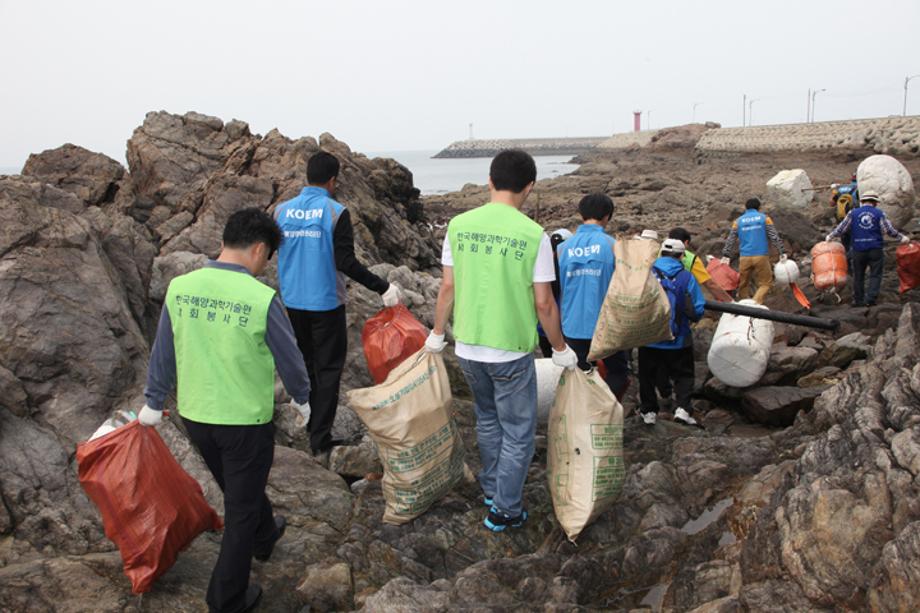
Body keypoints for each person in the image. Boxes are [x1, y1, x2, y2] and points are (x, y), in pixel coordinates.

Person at [140, 208, 313, 613]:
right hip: (244, 422)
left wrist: (153, 401)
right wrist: (303, 398)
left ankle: (265, 534)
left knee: (240, 490)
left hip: (197, 417)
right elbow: (290, 359)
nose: (263, 266)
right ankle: (226, 597)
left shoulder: (181, 287)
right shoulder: (260, 297)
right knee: (240, 507)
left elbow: (162, 351)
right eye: (266, 257)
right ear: (258, 249)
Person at [426, 149, 578, 532]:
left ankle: (493, 488)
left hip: (468, 347)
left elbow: (448, 287)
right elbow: (543, 302)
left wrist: (437, 333)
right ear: (529, 187)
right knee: (519, 433)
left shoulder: (459, 225)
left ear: (490, 181)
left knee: (488, 420)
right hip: (509, 349)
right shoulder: (533, 234)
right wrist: (561, 350)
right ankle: (505, 509)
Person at [274, 151, 401, 459]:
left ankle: (304, 414)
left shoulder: (281, 211)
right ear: (333, 180)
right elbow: (345, 262)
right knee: (328, 369)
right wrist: (382, 286)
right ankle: (319, 438)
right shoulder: (334, 212)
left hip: (292, 301)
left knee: (305, 363)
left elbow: (268, 252)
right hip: (325, 303)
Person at [556, 194, 629, 399]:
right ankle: (605, 409)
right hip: (606, 325)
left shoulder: (563, 249)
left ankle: (583, 415)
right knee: (618, 373)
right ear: (607, 217)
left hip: (571, 324)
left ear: (581, 214)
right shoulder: (613, 246)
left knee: (579, 374)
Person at [637, 238, 706, 426]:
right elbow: (698, 308)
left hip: (648, 337)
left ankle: (649, 411)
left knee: (647, 375)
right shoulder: (686, 277)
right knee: (683, 374)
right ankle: (682, 408)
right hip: (678, 337)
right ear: (681, 256)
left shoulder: (646, 273)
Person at [826, 191, 910, 307]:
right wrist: (902, 238)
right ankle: (870, 299)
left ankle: (859, 300)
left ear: (862, 201)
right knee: (875, 275)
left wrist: (830, 236)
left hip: (858, 249)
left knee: (858, 275)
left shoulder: (853, 213)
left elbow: (842, 228)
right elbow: (888, 230)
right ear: (875, 203)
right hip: (875, 249)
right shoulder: (879, 213)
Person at [720, 197, 786, 304]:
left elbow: (731, 239)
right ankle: (755, 304)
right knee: (765, 283)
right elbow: (774, 236)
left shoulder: (738, 221)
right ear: (759, 208)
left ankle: (744, 308)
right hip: (761, 256)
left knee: (743, 285)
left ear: (745, 208)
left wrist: (726, 254)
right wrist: (782, 251)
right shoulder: (764, 218)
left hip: (744, 257)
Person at [668, 227, 733, 303]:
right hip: (681, 300)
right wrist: (731, 302)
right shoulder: (691, 259)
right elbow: (710, 284)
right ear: (686, 242)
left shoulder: (659, 253)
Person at [537, 228, 573, 358]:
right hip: (563, 329)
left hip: (543, 328)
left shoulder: (541, 266)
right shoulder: (568, 268)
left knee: (550, 363)